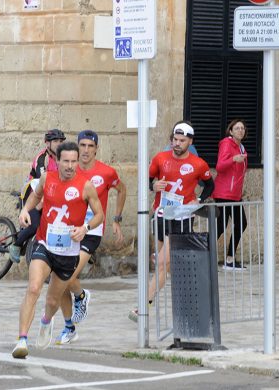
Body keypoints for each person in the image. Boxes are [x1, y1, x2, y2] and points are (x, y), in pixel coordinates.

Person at [12, 142, 104, 359]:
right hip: (44, 243)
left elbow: (99, 214)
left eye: (74, 161)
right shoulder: (47, 178)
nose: (70, 165)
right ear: (58, 161)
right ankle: (22, 340)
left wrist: (85, 228)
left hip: (68, 251)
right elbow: (35, 196)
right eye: (66, 161)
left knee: (53, 301)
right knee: (34, 288)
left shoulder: (86, 186)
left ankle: (46, 322)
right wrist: (25, 210)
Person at [129, 121, 214, 322]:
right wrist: (154, 185)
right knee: (164, 267)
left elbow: (210, 185)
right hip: (161, 215)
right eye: (174, 140)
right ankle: (195, 305)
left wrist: (199, 200)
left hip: (181, 218)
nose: (177, 144)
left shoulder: (198, 164)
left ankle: (143, 307)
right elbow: (147, 179)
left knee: (162, 263)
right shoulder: (160, 158)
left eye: (182, 141)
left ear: (190, 141)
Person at [56, 130, 126, 344]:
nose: (86, 150)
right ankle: (70, 325)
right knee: (59, 280)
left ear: (96, 149)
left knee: (65, 277)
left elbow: (122, 190)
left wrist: (116, 219)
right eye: (82, 145)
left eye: (90, 146)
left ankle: (81, 297)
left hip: (91, 231)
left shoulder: (106, 172)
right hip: (68, 230)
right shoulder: (69, 169)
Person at [9, 129, 66, 263]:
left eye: (60, 141)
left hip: (50, 194)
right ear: (47, 143)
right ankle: (16, 245)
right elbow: (43, 183)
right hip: (33, 193)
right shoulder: (42, 159)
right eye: (55, 141)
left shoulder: (64, 157)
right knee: (34, 225)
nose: (58, 144)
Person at [212, 119, 248, 270]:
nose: (240, 130)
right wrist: (233, 159)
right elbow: (219, 166)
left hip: (234, 195)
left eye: (242, 128)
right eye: (237, 128)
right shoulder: (227, 144)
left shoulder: (241, 148)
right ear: (231, 131)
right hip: (224, 193)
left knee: (240, 224)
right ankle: (203, 253)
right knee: (220, 227)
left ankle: (229, 259)